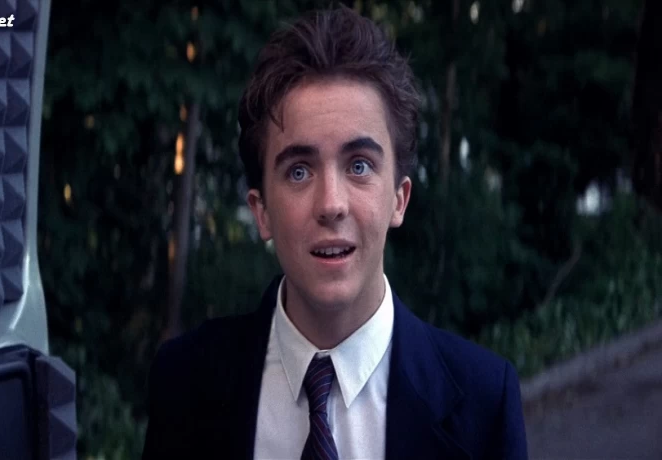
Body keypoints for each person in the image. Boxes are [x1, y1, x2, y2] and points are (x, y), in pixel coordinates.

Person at [142, 6, 528, 460]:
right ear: (261, 212)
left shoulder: (484, 402)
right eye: (299, 171)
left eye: (359, 165)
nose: (331, 204)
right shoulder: (184, 382)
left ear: (399, 198)